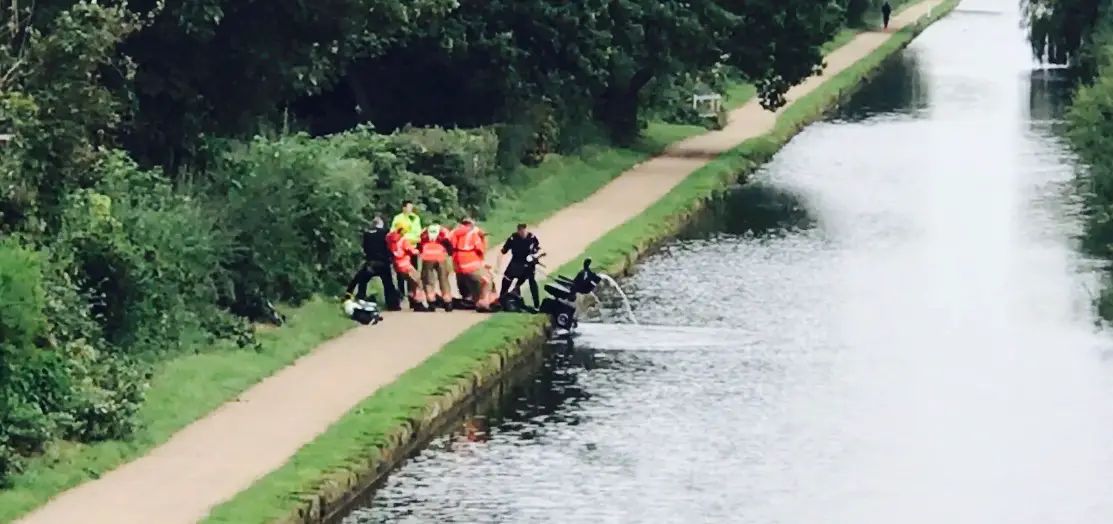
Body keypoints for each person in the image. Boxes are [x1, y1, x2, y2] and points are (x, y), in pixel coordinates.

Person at [345, 216, 401, 311]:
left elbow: (365, 248)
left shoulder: (366, 234)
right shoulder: (385, 233)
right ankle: (393, 304)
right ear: (381, 224)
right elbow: (391, 243)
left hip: (370, 264)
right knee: (388, 284)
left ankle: (359, 298)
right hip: (383, 263)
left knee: (361, 280)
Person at [451, 217, 497, 311]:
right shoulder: (473, 234)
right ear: (471, 224)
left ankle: (475, 301)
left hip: (458, 266)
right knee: (487, 280)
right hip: (471, 264)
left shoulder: (455, 232)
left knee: (472, 284)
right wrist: (483, 239)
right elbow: (480, 250)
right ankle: (484, 302)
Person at [497, 223, 543, 309]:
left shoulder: (532, 238)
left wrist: (535, 256)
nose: (522, 233)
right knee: (506, 280)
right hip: (515, 262)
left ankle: (537, 305)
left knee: (532, 282)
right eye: (520, 231)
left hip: (528, 264)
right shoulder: (513, 238)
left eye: (524, 230)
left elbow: (538, 249)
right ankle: (501, 300)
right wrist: (498, 266)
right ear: (518, 231)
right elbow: (502, 251)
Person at [387, 224, 427, 311]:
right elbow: (411, 251)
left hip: (397, 265)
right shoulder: (403, 240)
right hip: (406, 265)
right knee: (417, 281)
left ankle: (411, 299)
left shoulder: (392, 240)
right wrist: (419, 250)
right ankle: (418, 302)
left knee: (411, 283)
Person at [418, 222, 455, 311]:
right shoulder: (443, 231)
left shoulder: (424, 231)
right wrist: (449, 254)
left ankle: (431, 302)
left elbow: (419, 244)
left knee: (428, 281)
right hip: (441, 257)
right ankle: (447, 302)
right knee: (444, 280)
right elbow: (449, 243)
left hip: (427, 257)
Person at [390, 200, 422, 297]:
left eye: (411, 207)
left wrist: (407, 239)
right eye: (408, 207)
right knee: (401, 272)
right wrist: (403, 239)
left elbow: (417, 233)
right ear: (403, 208)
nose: (410, 209)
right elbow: (393, 232)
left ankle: (412, 292)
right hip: (400, 250)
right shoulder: (398, 218)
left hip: (411, 247)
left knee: (413, 272)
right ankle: (401, 292)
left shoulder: (415, 218)